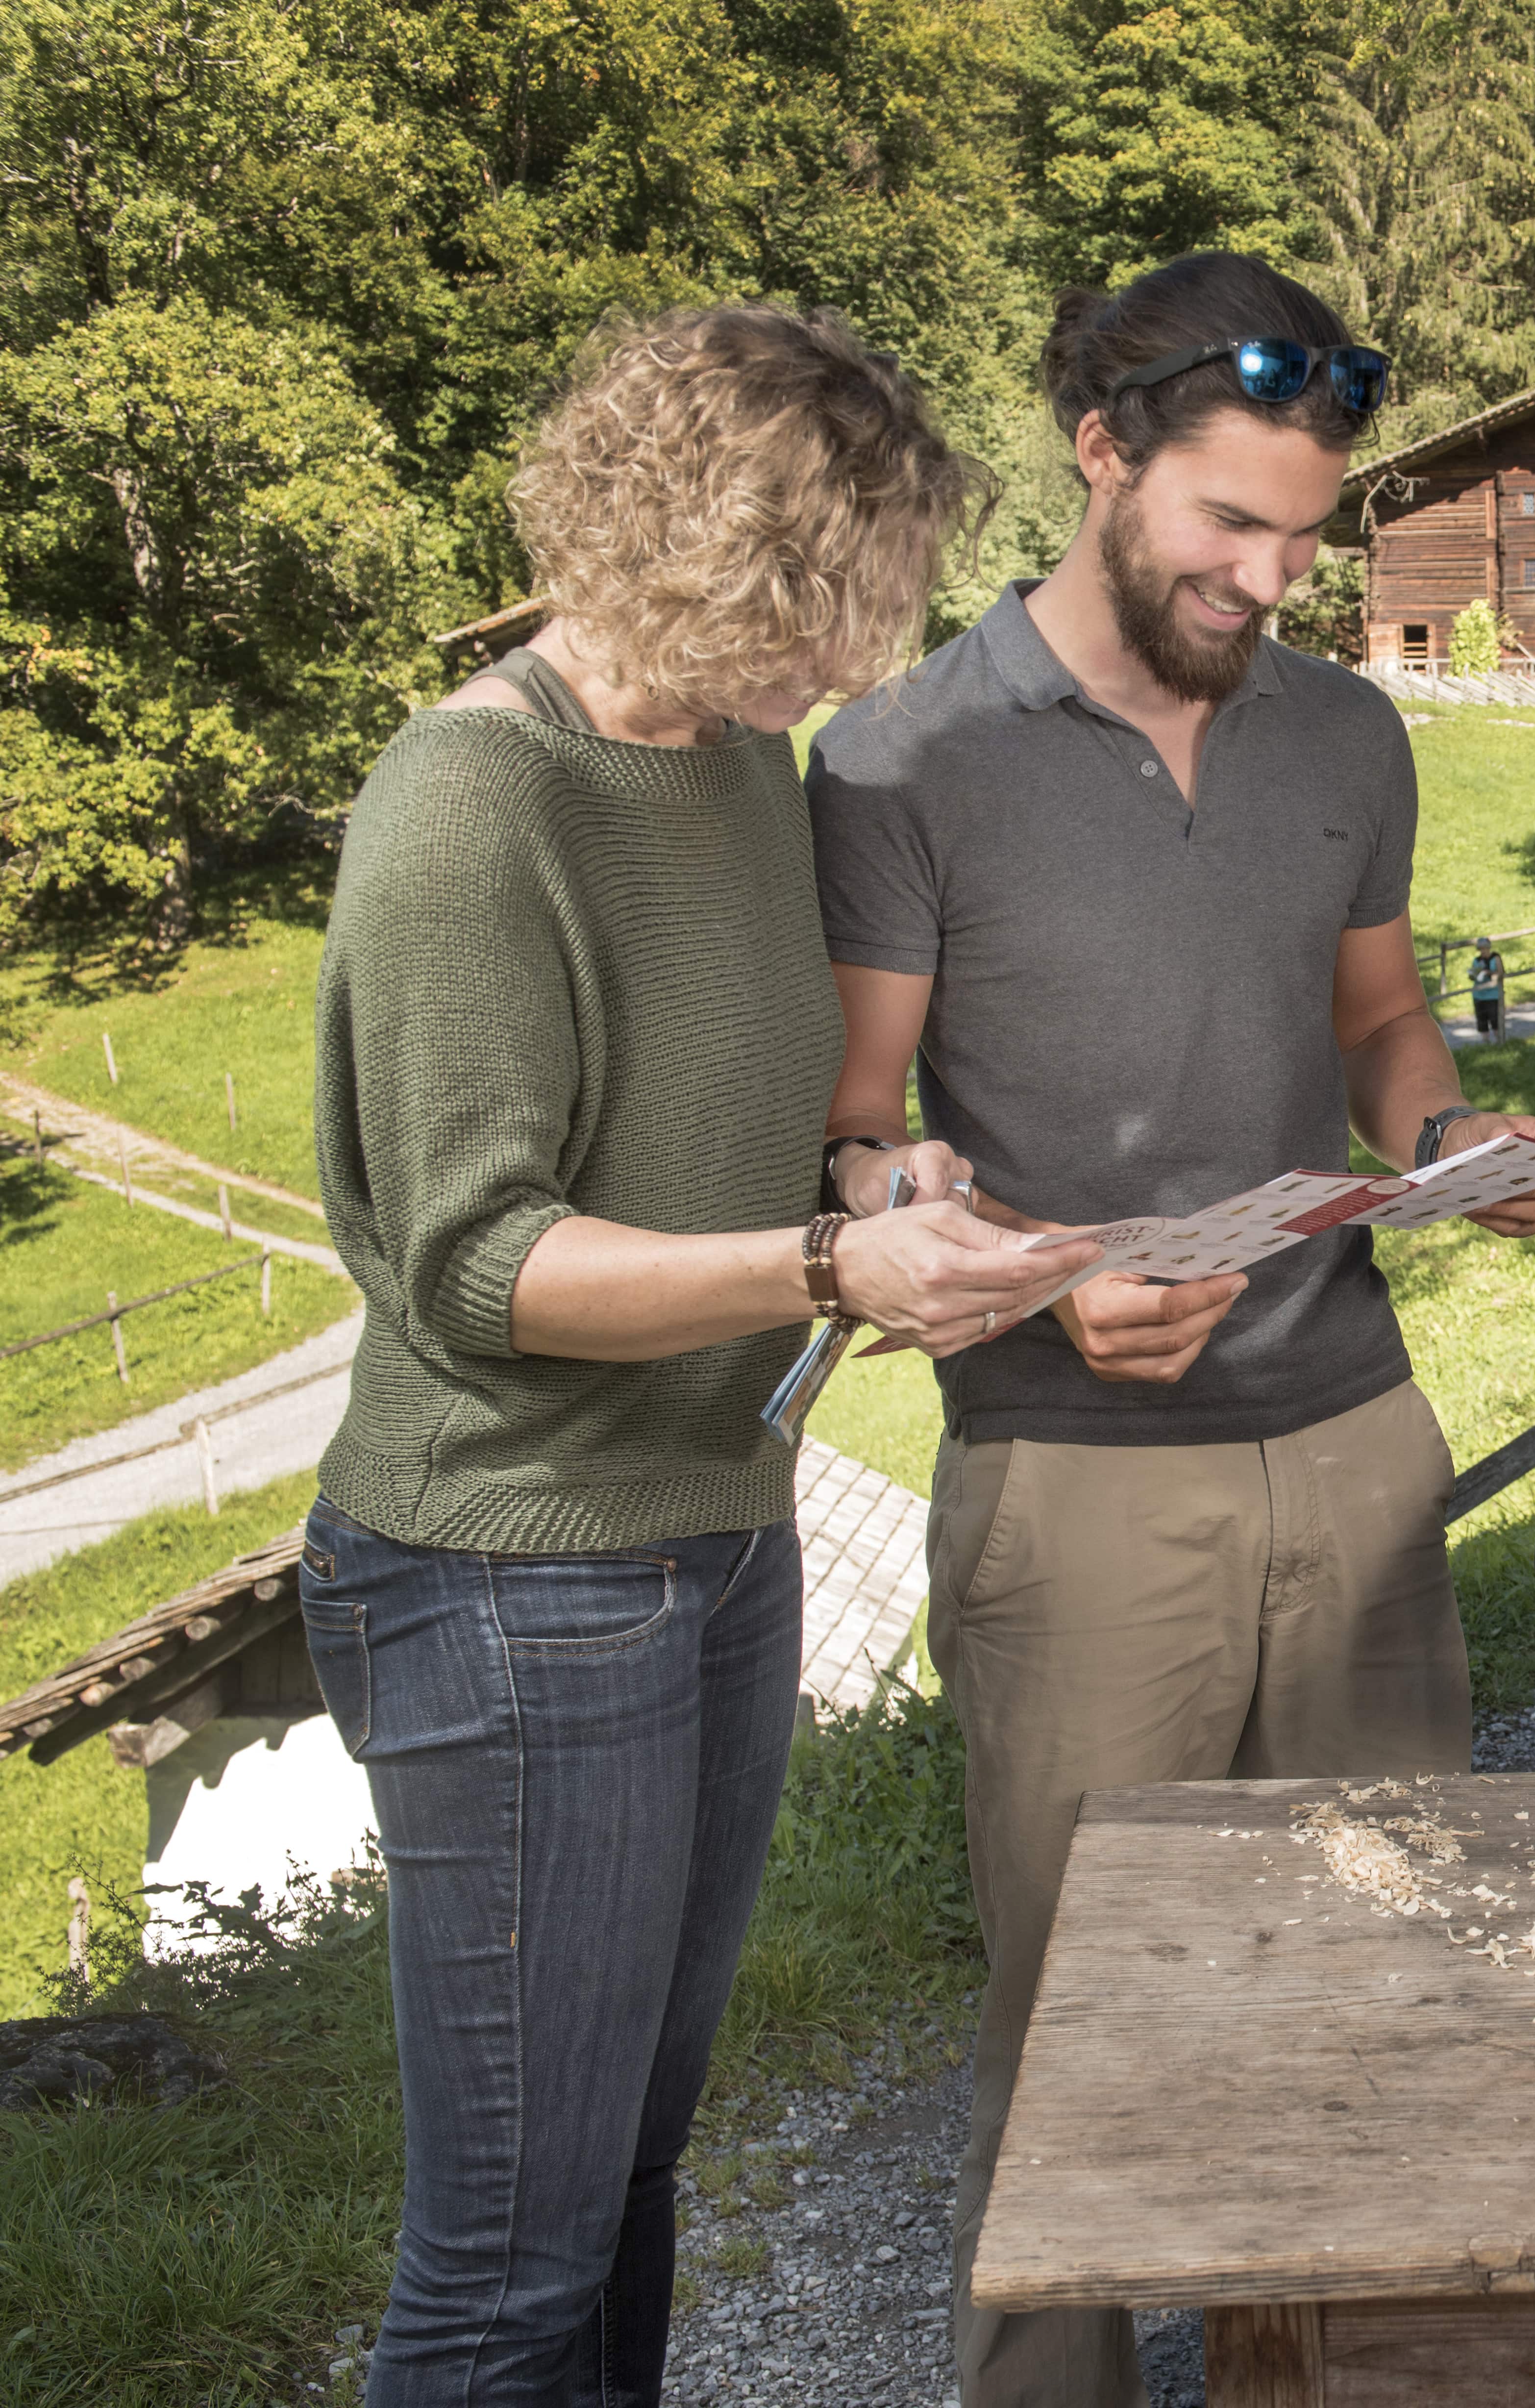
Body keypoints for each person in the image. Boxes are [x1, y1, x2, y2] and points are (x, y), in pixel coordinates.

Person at [807, 251, 1535, 2408]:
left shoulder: (1346, 728)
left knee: (1395, 1969)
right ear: (1099, 451)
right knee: (1080, 2031)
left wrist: (1453, 1132)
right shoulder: (899, 758)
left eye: (1303, 534)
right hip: (1071, 1485)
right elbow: (857, 1140)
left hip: (1355, 1431)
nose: (1266, 574)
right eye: (1225, 523)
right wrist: (1044, 1271)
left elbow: (1380, 1021)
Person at [302, 307, 1089, 2408]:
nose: (842, 669)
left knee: (632, 2185)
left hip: (713, 1531)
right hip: (514, 1565)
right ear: (698, 550)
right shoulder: (475, 813)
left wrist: (877, 1163)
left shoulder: (743, 765)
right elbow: (480, 1265)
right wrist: (837, 1263)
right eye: (819, 615)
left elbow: (759, 1108)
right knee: (504, 2262)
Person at [1468, 935, 1507, 1038]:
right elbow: (1472, 977)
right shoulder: (1476, 961)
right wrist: (1474, 974)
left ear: (1489, 948)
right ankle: (1487, 1045)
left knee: (1495, 1020)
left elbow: (1501, 973)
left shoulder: (1495, 958)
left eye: (1485, 948)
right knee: (1482, 1021)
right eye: (1481, 949)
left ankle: (1500, 1042)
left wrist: (1488, 973)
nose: (1483, 951)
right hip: (1479, 995)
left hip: (1493, 995)